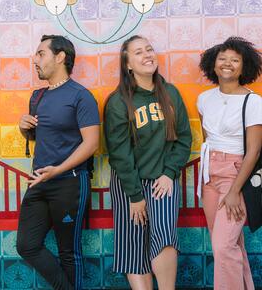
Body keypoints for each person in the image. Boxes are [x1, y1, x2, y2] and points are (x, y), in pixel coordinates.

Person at [104, 35, 192, 290]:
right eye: (139, 52)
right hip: (128, 184)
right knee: (133, 243)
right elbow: (119, 152)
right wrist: (134, 196)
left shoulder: (171, 93)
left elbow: (184, 138)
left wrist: (169, 173)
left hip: (162, 180)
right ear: (128, 64)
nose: (147, 55)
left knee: (163, 235)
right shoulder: (118, 101)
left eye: (149, 49)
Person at [16, 35, 100, 290]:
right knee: (26, 245)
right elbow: (37, 135)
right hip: (39, 182)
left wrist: (58, 170)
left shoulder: (81, 96)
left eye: (41, 53)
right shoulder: (37, 96)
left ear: (60, 56)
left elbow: (91, 143)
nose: (35, 59)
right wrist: (23, 128)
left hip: (69, 183)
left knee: (69, 252)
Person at [197, 37, 262, 290]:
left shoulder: (253, 102)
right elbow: (207, 138)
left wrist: (235, 190)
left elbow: (254, 150)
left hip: (236, 174)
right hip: (209, 175)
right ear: (213, 65)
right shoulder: (204, 98)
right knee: (228, 245)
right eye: (222, 58)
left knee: (223, 247)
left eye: (235, 60)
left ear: (243, 67)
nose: (227, 64)